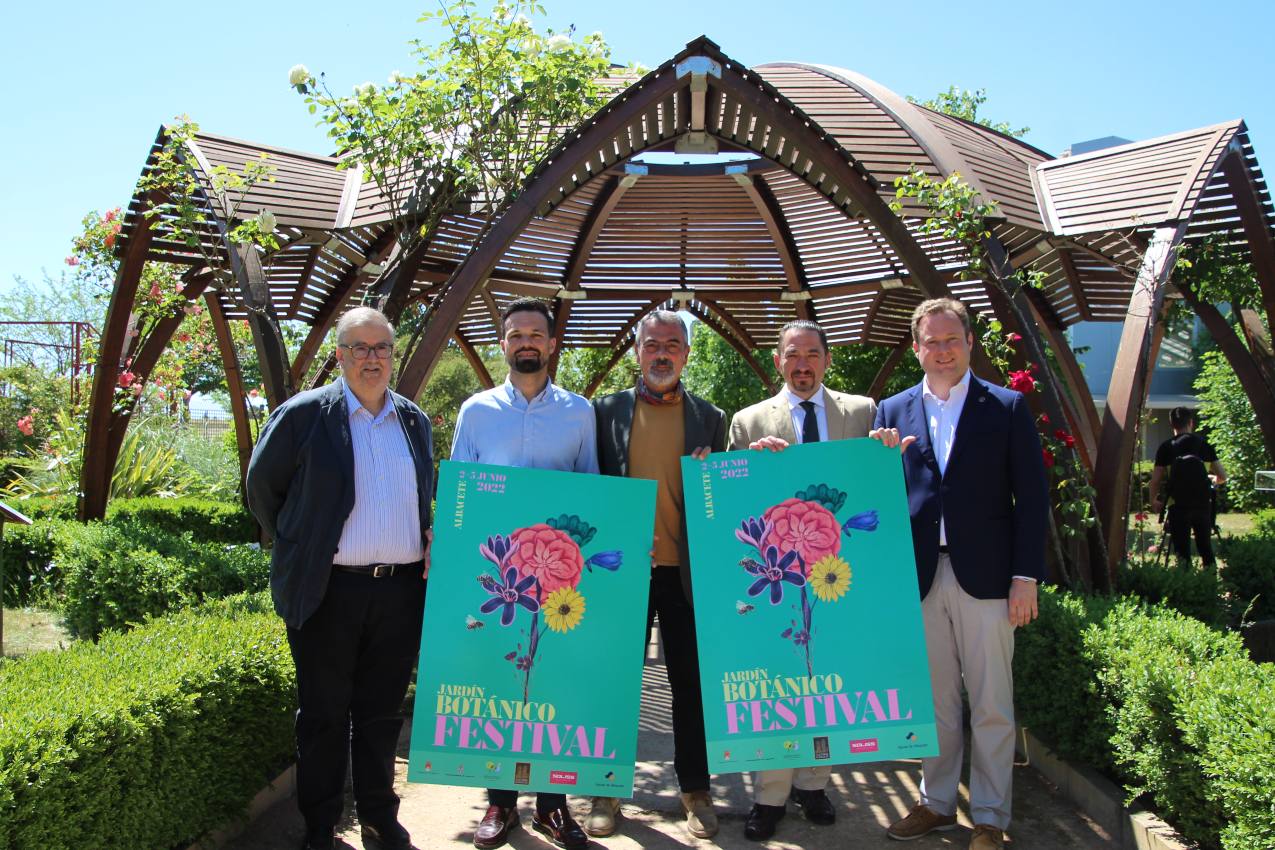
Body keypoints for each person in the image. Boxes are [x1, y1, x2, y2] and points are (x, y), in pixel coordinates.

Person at [246, 306, 434, 850]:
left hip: (399, 591)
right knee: (324, 717)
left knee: (380, 715)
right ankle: (320, 828)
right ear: (340, 356)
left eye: (381, 348)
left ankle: (380, 817)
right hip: (328, 591)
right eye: (360, 348)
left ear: (392, 356)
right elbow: (263, 490)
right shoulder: (304, 416)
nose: (371, 358)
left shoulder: (413, 421)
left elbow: (420, 498)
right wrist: (301, 542)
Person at [874, 297, 1048, 850]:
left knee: (993, 703)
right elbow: (879, 502)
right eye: (932, 341)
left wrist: (1026, 576)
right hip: (920, 578)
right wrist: (876, 462)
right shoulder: (891, 411)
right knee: (935, 703)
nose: (942, 350)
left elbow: (1033, 498)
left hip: (990, 578)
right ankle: (937, 802)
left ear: (969, 343)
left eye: (952, 340)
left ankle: (992, 817)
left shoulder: (1007, 407)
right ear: (917, 347)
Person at [451, 297, 598, 850]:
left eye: (537, 334)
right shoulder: (476, 411)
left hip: (558, 581)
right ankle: (499, 803)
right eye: (516, 334)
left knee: (553, 683)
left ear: (553, 344)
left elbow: (593, 493)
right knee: (499, 683)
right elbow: (461, 492)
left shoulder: (579, 411)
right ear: (504, 343)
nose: (527, 342)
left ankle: (553, 807)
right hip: (499, 580)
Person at [726, 319, 880, 841]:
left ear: (826, 360)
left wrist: (883, 450)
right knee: (777, 681)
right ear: (778, 361)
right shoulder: (748, 422)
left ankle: (814, 782)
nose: (803, 364)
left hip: (838, 573)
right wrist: (749, 464)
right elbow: (730, 503)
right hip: (777, 577)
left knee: (830, 674)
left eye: (812, 354)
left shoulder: (862, 413)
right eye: (793, 354)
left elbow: (874, 485)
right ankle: (769, 795)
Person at [589, 310, 726, 840]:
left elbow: (723, 499)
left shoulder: (712, 418)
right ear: (637, 351)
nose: (662, 353)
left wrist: (714, 471)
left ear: (686, 354)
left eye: (672, 344)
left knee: (689, 686)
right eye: (652, 345)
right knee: (616, 683)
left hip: (685, 575)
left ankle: (696, 790)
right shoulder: (603, 412)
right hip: (623, 575)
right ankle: (606, 789)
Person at [1150, 406, 1226, 567]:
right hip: (1202, 504)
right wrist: (1211, 479)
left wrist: (1154, 500)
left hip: (1177, 505)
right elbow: (1222, 477)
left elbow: (1155, 480)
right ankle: (1210, 583)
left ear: (1172, 424)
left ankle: (1186, 586)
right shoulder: (1204, 445)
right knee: (1205, 548)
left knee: (1182, 552)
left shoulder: (1166, 447)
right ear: (1191, 423)